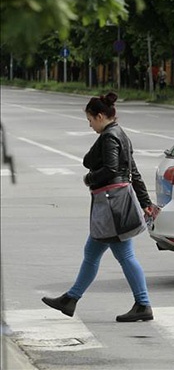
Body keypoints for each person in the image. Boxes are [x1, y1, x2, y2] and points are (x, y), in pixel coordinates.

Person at [41, 92, 156, 322]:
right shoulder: (121, 134)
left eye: (91, 120)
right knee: (93, 253)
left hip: (111, 207)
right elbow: (133, 172)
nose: (90, 125)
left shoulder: (109, 137)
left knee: (123, 256)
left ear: (101, 116)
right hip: (116, 205)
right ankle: (70, 299)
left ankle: (143, 304)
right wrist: (145, 203)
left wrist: (89, 179)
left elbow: (112, 169)